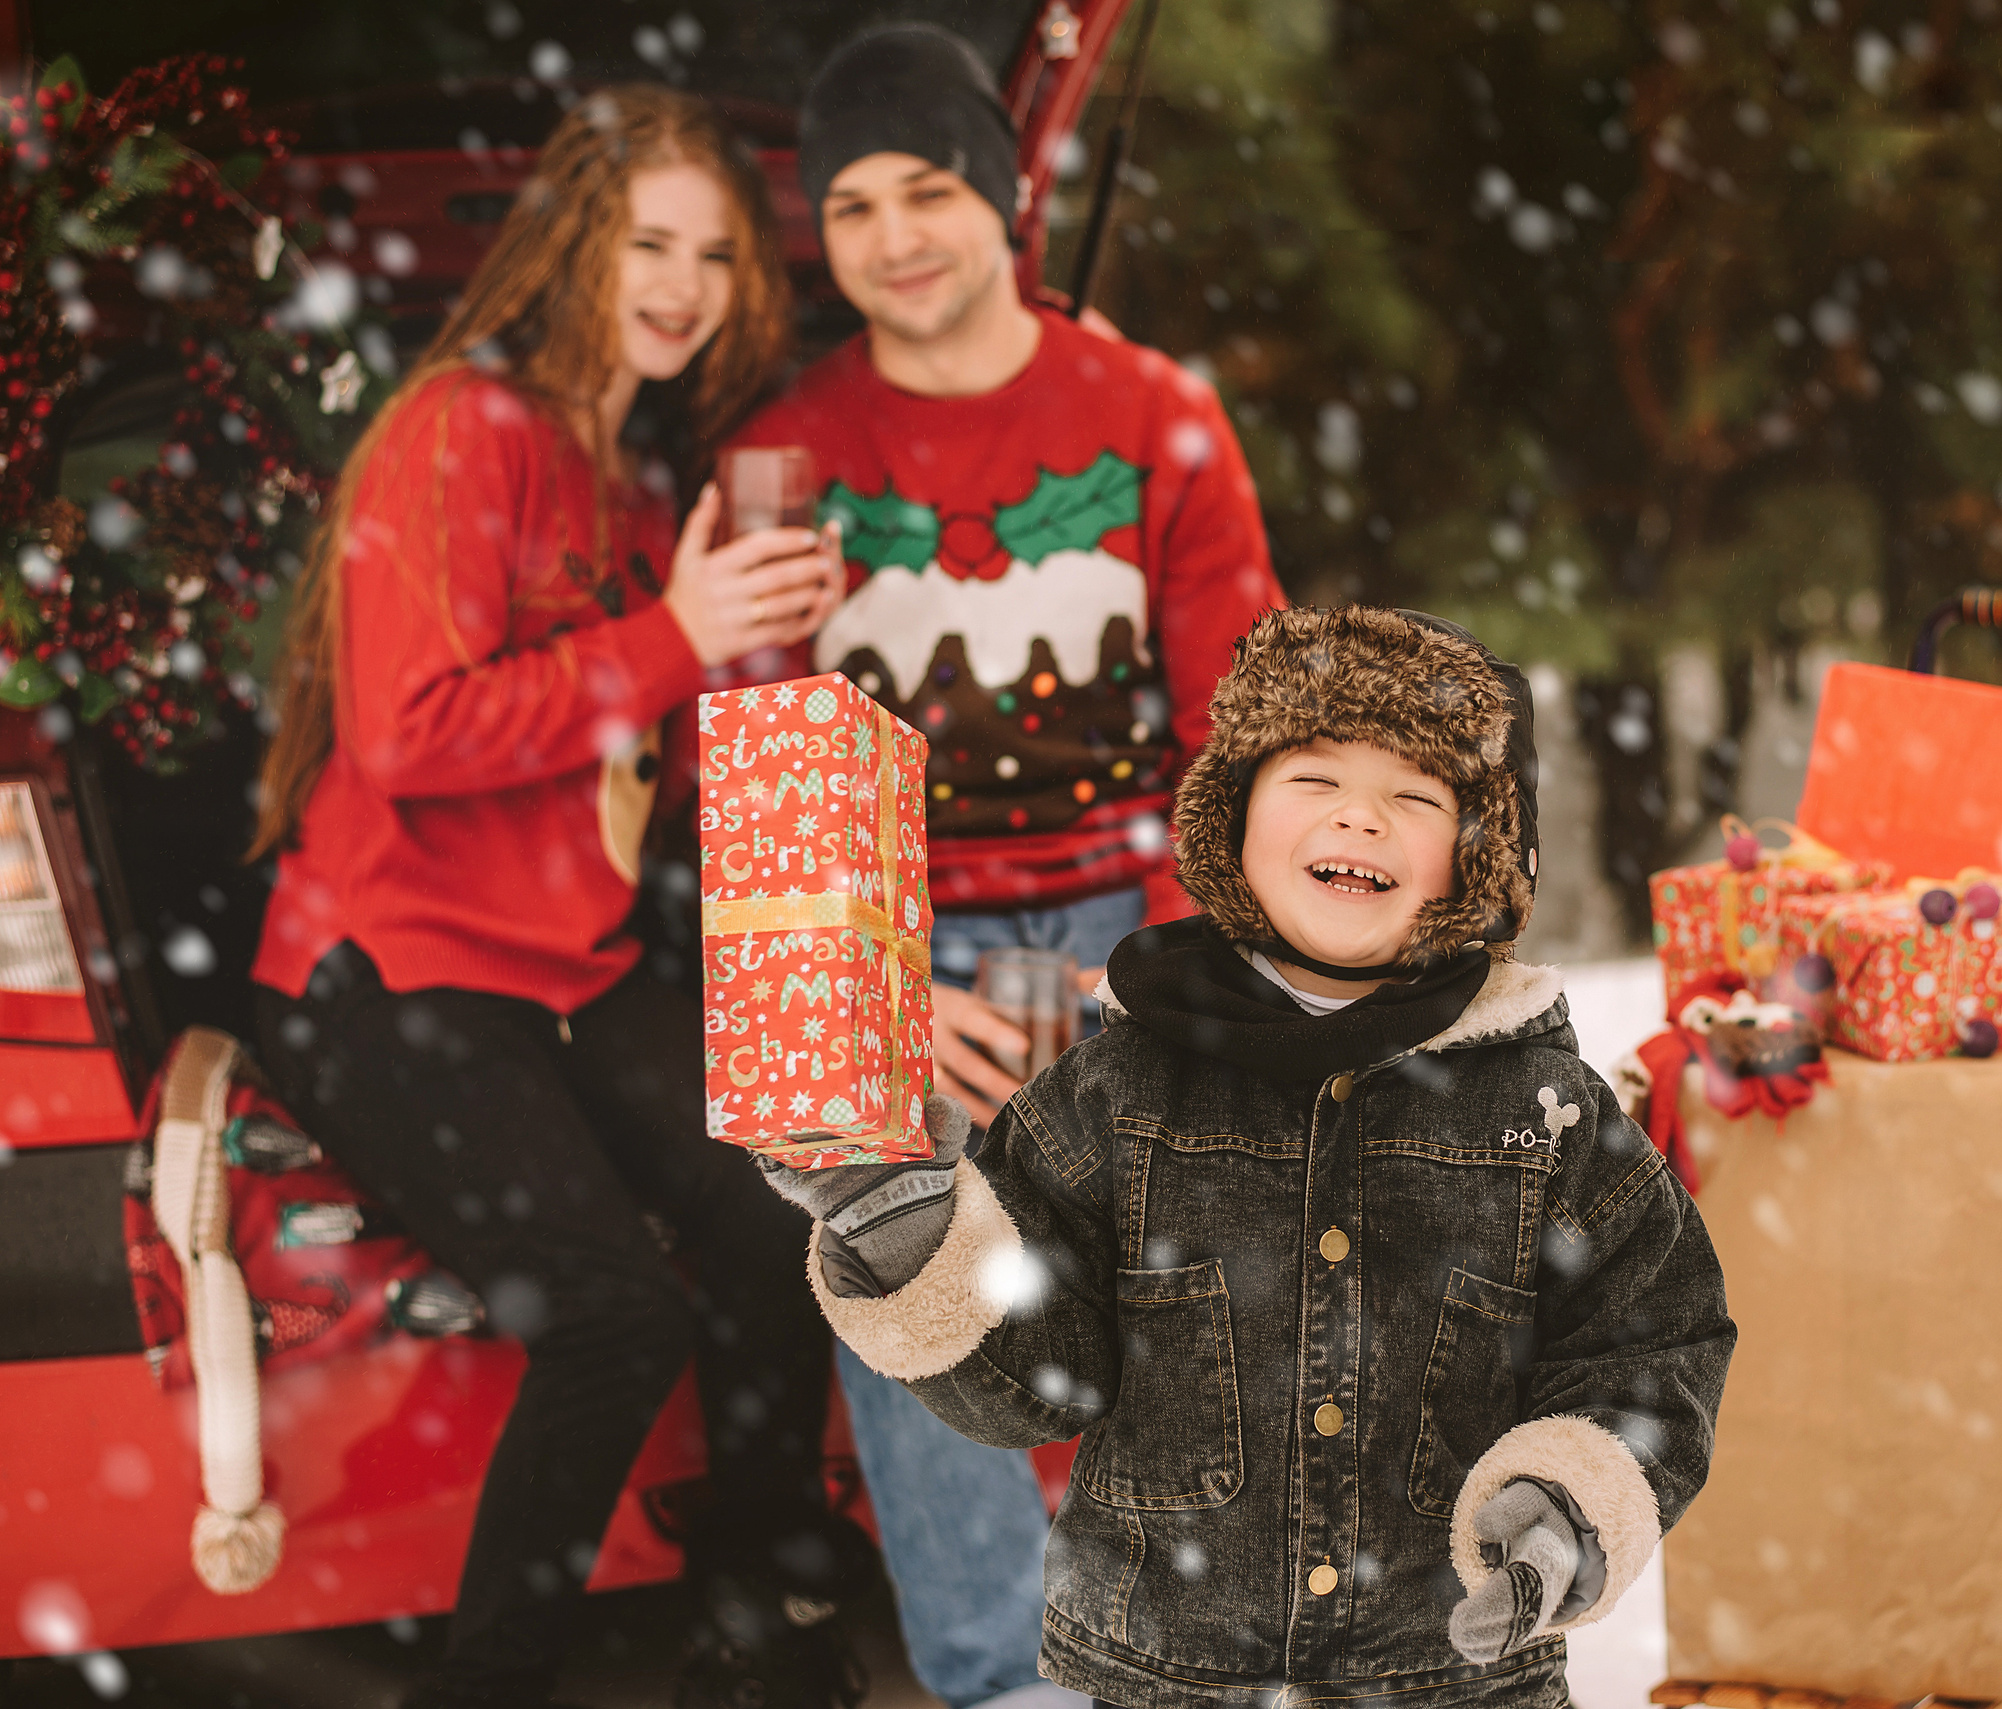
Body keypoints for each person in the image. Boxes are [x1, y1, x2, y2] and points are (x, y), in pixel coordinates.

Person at [761, 605, 1737, 1708]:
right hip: (1168, 1677)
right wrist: (909, 1229)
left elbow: (1654, 1337)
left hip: (1454, 1681)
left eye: (1415, 796)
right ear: (1233, 818)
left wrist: (1565, 1504)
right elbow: (1035, 1376)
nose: (1360, 817)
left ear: (1476, 859)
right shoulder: (1120, 1087)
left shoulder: (1541, 1108)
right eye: (1314, 780)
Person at [249, 87, 860, 1709]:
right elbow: (408, 731)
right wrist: (672, 634)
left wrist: (763, 630)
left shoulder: (645, 490)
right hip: (389, 966)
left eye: (717, 255)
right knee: (612, 1314)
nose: (682, 282)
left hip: (563, 974)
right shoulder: (467, 427)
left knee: (784, 1191)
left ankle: (758, 1604)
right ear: (573, 247)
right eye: (647, 241)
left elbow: (645, 766)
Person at [726, 24, 1283, 1708]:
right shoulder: (787, 449)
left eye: (926, 189)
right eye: (851, 205)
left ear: (1005, 192)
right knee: (907, 1226)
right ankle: (1002, 1675)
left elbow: (1239, 730)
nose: (893, 235)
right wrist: (904, 996)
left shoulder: (1150, 419)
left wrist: (1157, 966)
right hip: (902, 918)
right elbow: (775, 779)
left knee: (1205, 1224)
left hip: (1129, 901)